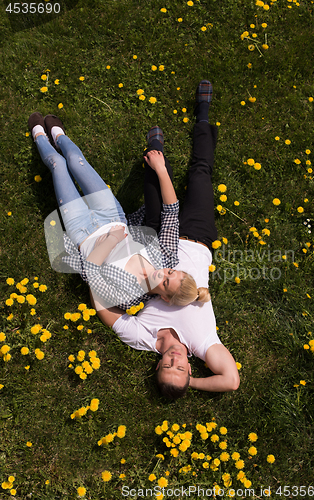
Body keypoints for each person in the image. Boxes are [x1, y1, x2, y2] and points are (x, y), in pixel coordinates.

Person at [91, 80, 240, 399]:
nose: (175, 361)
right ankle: (203, 114)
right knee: (200, 173)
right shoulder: (203, 343)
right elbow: (230, 380)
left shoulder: (145, 339)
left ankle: (155, 153)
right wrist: (194, 384)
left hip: (160, 241)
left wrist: (94, 271)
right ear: (189, 369)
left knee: (155, 194)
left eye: (167, 366)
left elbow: (107, 312)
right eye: (181, 369)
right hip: (198, 236)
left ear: (157, 366)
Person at [28, 113, 209, 311]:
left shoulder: (129, 299)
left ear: (165, 298)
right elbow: (171, 215)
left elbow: (89, 273)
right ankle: (58, 135)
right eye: (171, 273)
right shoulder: (166, 257)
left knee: (58, 165)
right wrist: (161, 169)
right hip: (111, 215)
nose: (163, 274)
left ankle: (38, 136)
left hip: (81, 231)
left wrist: (111, 241)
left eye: (166, 283)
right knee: (74, 159)